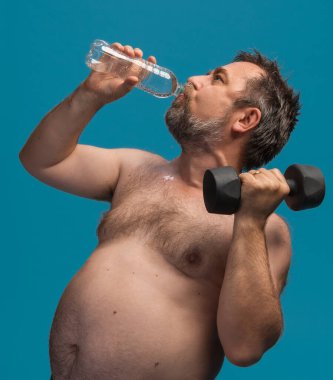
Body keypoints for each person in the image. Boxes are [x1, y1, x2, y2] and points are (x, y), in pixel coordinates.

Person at [19, 41, 300, 380]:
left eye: (217, 79)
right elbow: (42, 160)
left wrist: (251, 222)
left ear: (245, 118)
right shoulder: (135, 169)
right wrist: (89, 95)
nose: (195, 79)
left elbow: (245, 348)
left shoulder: (262, 226)